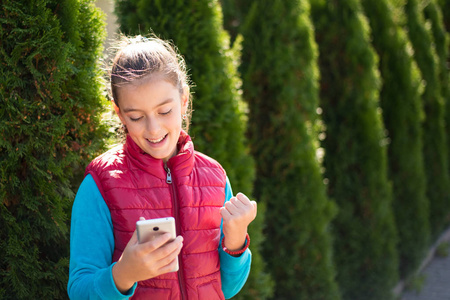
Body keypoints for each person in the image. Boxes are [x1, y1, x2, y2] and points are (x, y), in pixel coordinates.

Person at [67, 34, 257, 300]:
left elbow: (225, 288)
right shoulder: (100, 183)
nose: (153, 129)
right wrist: (124, 273)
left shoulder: (214, 177)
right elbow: (79, 290)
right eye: (136, 117)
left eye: (164, 111)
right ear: (119, 113)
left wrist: (236, 241)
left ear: (183, 100)